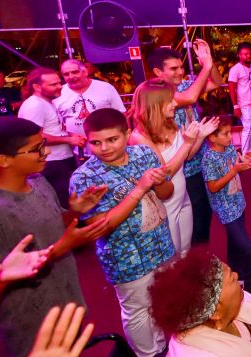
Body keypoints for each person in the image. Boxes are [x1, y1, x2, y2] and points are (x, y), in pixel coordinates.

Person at [0, 117, 107, 357]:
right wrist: (62, 248)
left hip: (64, 299)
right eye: (36, 149)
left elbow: (55, 222)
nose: (46, 152)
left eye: (44, 143)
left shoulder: (39, 181)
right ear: (3, 160)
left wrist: (76, 211)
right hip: (29, 323)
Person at [69, 108, 177, 357]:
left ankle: (164, 347)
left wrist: (159, 181)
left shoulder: (143, 153)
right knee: (138, 310)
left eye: (112, 139)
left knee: (162, 302)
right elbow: (102, 226)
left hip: (160, 242)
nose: (104, 148)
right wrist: (139, 189)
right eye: (95, 142)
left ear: (127, 134)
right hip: (126, 257)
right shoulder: (84, 177)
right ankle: (147, 354)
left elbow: (167, 193)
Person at [149, 249, 251, 357]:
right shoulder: (198, 353)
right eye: (232, 279)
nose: (237, 275)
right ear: (216, 312)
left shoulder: (236, 301)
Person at [128, 79, 218, 254]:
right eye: (170, 100)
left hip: (182, 198)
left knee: (185, 251)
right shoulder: (139, 137)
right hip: (165, 205)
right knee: (173, 257)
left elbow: (185, 157)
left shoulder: (169, 123)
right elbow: (165, 173)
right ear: (155, 104)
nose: (175, 103)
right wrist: (187, 143)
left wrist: (200, 137)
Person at [148, 41, 222, 244]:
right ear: (157, 72)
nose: (181, 71)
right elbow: (189, 98)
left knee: (202, 216)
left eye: (181, 66)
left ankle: (199, 262)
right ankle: (192, 267)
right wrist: (205, 67)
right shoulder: (155, 92)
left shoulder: (185, 85)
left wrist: (209, 61)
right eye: (174, 68)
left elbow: (216, 82)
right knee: (182, 223)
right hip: (178, 167)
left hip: (195, 159)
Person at [202, 116, 251, 295]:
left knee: (235, 241)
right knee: (245, 244)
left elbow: (236, 163)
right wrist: (234, 171)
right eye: (225, 134)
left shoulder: (229, 148)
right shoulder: (209, 158)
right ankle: (248, 280)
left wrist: (244, 160)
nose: (230, 137)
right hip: (226, 208)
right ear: (212, 137)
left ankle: (235, 273)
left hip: (238, 201)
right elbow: (213, 187)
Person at [18, 68, 85, 208]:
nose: (60, 86)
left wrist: (70, 134)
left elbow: (51, 129)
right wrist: (69, 140)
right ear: (37, 87)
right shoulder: (34, 105)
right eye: (53, 84)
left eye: (59, 83)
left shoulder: (47, 102)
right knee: (62, 203)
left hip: (60, 160)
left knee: (69, 199)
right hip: (51, 163)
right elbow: (35, 137)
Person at [55, 59, 126, 155]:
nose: (71, 77)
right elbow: (59, 126)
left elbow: (122, 115)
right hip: (77, 152)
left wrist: (124, 140)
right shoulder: (58, 93)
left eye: (75, 72)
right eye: (66, 74)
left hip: (111, 148)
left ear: (85, 72)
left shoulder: (105, 88)